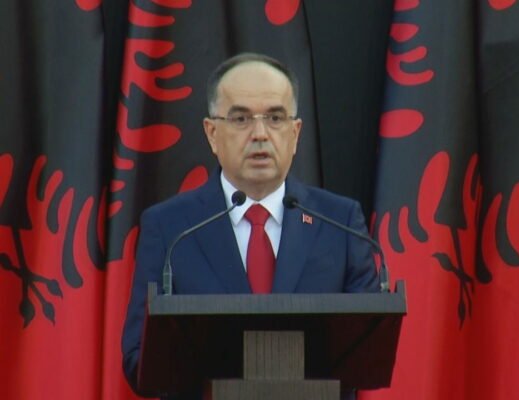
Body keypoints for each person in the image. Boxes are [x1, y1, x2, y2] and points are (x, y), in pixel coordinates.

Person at [122, 53, 380, 399]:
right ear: (212, 133)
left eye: (275, 118)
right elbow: (138, 359)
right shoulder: (171, 228)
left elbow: (367, 354)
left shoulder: (339, 223)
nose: (260, 134)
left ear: (295, 133)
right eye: (241, 118)